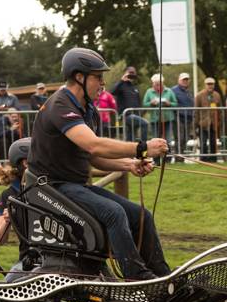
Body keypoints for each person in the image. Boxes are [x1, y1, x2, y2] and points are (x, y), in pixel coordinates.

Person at [28, 47, 170, 280]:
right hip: (51, 187)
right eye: (97, 77)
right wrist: (142, 147)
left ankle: (163, 277)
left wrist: (130, 164)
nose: (102, 83)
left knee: (141, 215)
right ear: (79, 77)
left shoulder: (87, 109)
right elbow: (94, 145)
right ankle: (138, 278)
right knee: (113, 213)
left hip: (73, 185)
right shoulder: (61, 104)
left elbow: (91, 156)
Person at [0, 138, 31, 255]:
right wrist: (7, 221)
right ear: (25, 163)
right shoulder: (8, 195)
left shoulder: (50, 188)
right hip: (28, 258)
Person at [110, 65, 148, 141]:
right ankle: (144, 146)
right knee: (145, 123)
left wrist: (140, 113)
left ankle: (129, 151)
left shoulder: (135, 88)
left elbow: (139, 102)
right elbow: (112, 92)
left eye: (133, 73)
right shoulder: (121, 85)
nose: (132, 74)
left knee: (131, 135)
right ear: (125, 73)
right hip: (126, 115)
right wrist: (122, 80)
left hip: (136, 115)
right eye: (130, 72)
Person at [143, 73, 176, 154]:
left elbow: (175, 103)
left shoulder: (169, 91)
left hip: (167, 119)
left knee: (167, 139)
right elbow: (144, 104)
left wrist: (169, 103)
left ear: (162, 83)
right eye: (156, 84)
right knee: (155, 139)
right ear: (153, 84)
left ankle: (167, 157)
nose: (157, 86)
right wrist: (151, 103)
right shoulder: (149, 92)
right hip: (155, 119)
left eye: (159, 84)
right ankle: (156, 156)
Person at [193, 77, 222, 162]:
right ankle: (203, 159)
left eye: (212, 84)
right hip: (203, 123)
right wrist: (196, 124)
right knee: (203, 143)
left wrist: (219, 121)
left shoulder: (217, 95)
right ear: (205, 85)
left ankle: (213, 159)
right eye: (208, 84)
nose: (210, 86)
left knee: (213, 142)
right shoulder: (199, 95)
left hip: (214, 123)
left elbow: (220, 109)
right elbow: (196, 111)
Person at [172, 72, 194, 154]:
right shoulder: (173, 90)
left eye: (187, 80)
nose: (185, 81)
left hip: (188, 118)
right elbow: (173, 103)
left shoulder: (189, 91)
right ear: (179, 80)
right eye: (183, 80)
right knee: (179, 138)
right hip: (178, 117)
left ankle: (182, 156)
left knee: (185, 138)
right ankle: (178, 156)